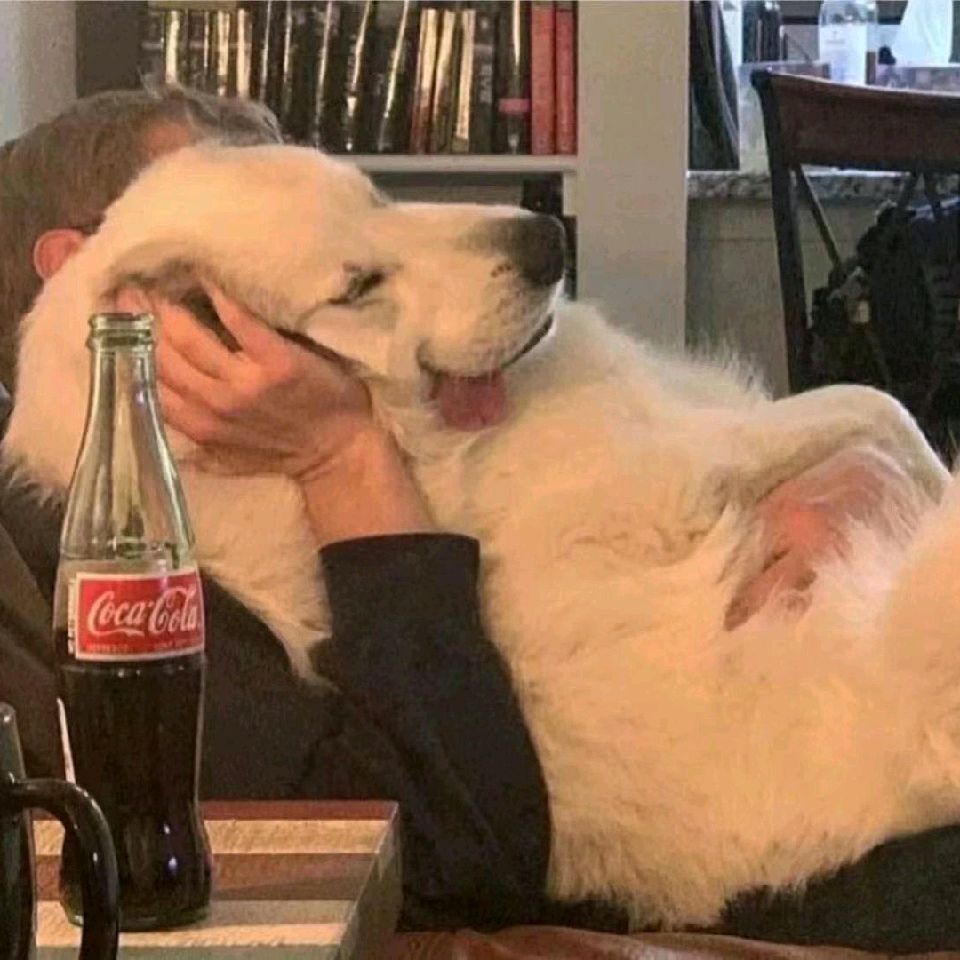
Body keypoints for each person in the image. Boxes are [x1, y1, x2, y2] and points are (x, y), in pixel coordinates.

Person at [0, 86, 949, 948]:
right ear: (91, 278)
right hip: (769, 796)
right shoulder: (116, 582)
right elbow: (461, 843)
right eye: (351, 285)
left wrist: (853, 477)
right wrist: (343, 457)